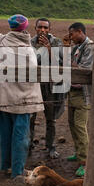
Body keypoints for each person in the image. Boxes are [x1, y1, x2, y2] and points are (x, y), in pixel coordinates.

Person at [0, 14, 44, 181]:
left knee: (6, 132)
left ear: (10, 26)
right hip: (23, 100)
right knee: (20, 135)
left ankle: (6, 166)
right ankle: (17, 171)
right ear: (26, 28)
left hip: (3, 97)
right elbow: (33, 72)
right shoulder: (27, 48)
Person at [29, 18, 65, 159]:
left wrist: (49, 49)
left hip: (49, 85)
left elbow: (60, 63)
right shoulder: (30, 42)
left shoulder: (56, 42)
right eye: (40, 27)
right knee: (31, 117)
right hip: (33, 85)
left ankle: (50, 146)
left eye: (45, 27)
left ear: (50, 29)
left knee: (51, 118)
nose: (42, 30)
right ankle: (29, 144)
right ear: (35, 28)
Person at [62, 22, 94, 177]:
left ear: (79, 32)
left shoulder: (90, 47)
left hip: (84, 93)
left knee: (80, 127)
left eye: (72, 34)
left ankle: (85, 162)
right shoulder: (77, 47)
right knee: (72, 125)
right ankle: (79, 152)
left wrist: (68, 57)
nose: (71, 37)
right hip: (72, 91)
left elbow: (84, 69)